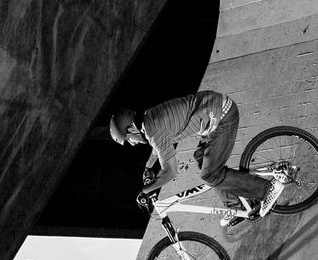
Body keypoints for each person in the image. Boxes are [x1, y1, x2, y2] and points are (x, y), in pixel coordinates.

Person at [109, 90, 276, 228]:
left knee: (211, 175)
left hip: (223, 118)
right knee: (201, 157)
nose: (131, 144)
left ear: (132, 128)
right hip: (213, 112)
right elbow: (160, 147)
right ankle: (235, 207)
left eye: (128, 138)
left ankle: (266, 190)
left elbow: (170, 172)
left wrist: (145, 191)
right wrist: (148, 167)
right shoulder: (149, 120)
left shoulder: (153, 132)